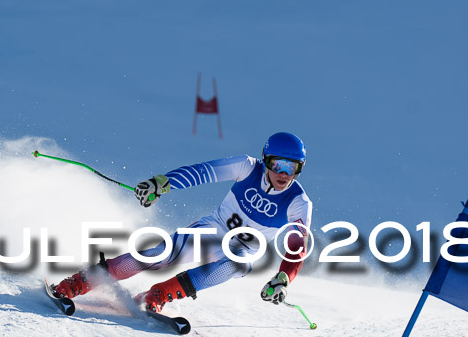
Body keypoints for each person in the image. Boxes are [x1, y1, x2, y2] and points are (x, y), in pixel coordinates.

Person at [54, 132, 313, 313]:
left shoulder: (298, 202)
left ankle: (159, 294)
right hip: (215, 229)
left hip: (241, 249)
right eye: (277, 164)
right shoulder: (246, 168)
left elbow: (296, 249)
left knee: (237, 264)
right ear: (266, 160)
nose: (282, 174)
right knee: (160, 255)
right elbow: (203, 172)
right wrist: (162, 183)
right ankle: (82, 281)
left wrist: (283, 278)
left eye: (291, 168)